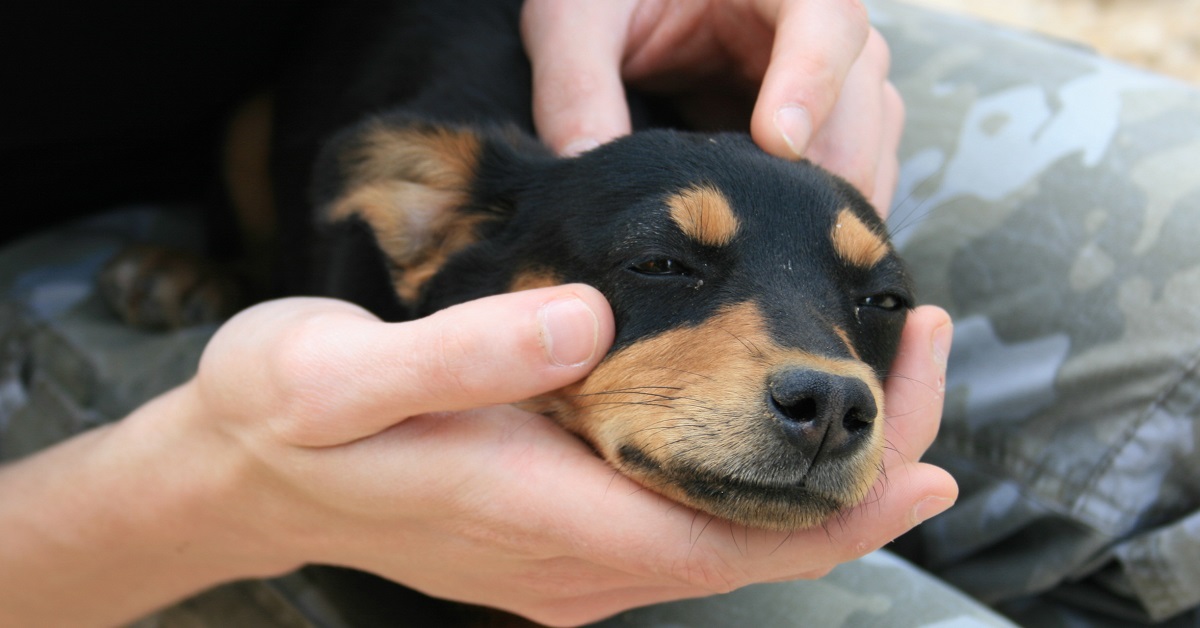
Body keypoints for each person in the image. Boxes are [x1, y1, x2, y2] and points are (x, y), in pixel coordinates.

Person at [0, 1, 961, 626]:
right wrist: (228, 487)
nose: (834, 383)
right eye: (666, 263)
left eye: (875, 299)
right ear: (435, 229)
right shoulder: (434, 202)